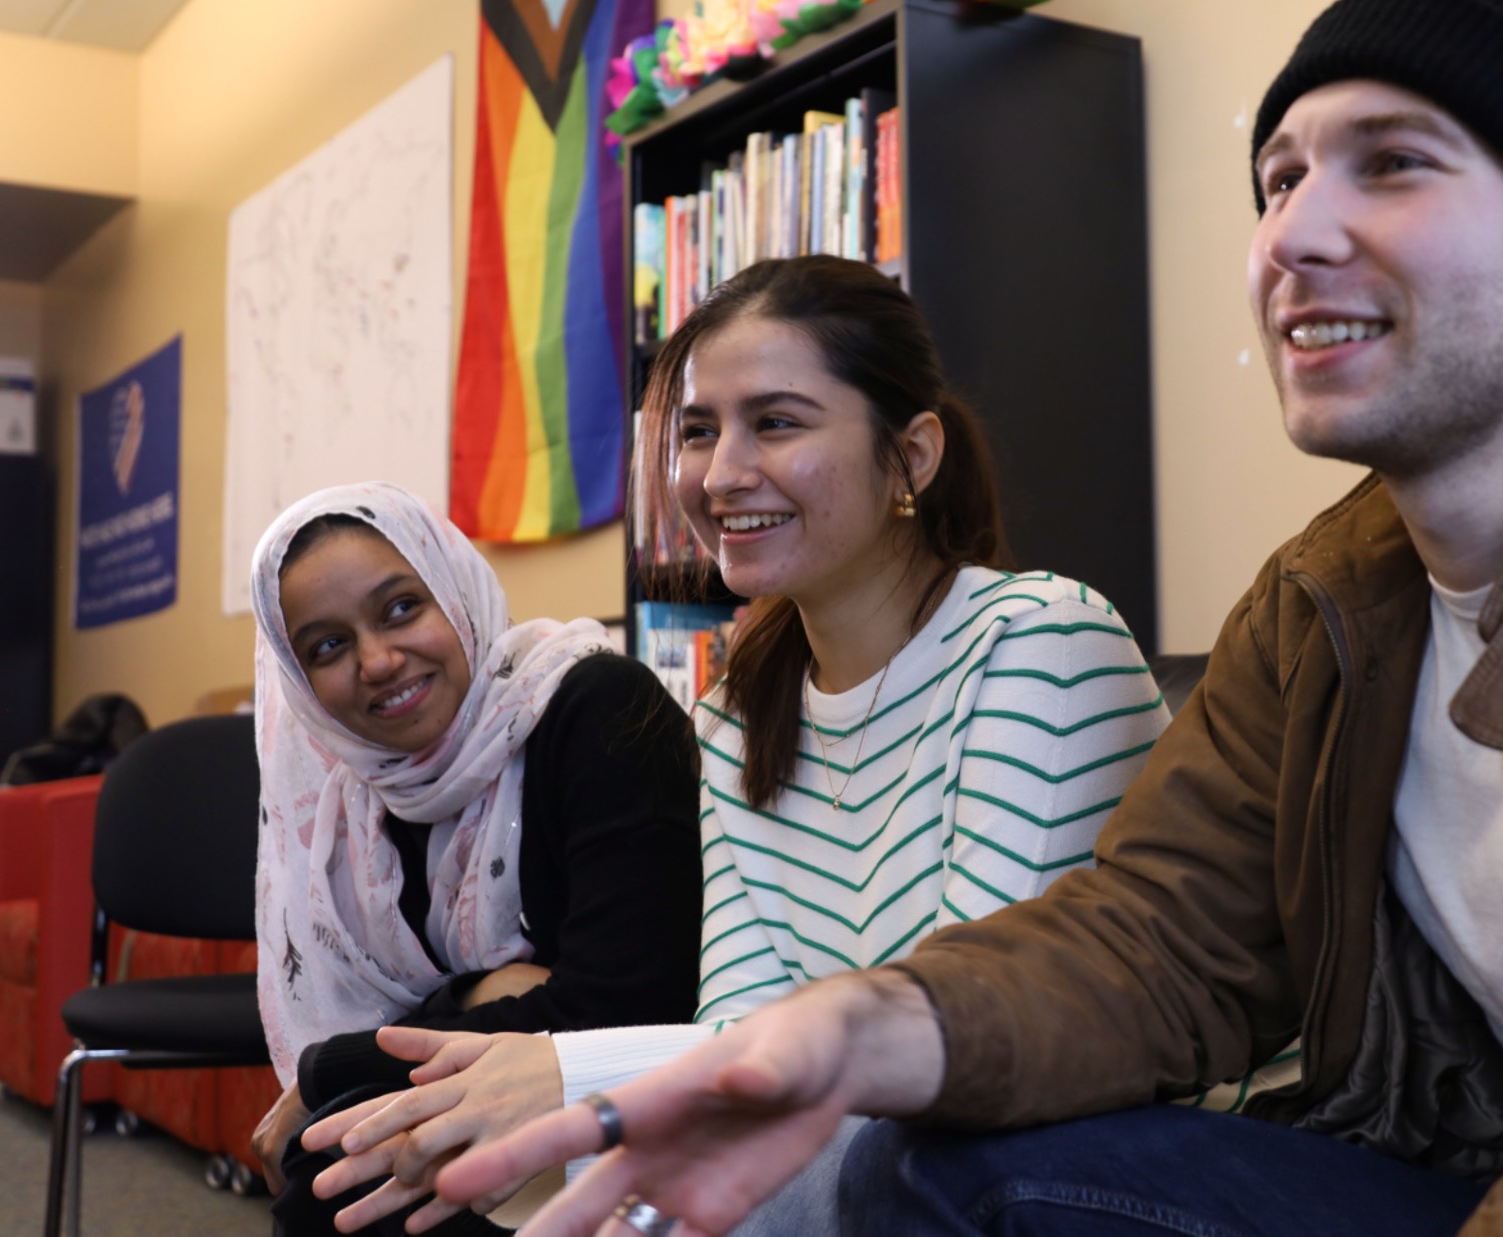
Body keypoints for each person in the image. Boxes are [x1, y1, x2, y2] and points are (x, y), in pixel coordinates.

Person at [425, 0, 1503, 1237]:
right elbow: (1154, 942)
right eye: (1280, 176)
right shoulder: (1334, 600)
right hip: (1489, 1188)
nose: (1289, 231)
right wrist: (865, 1031)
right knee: (943, 1172)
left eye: (1394, 163)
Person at [294, 256, 1172, 1232]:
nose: (719, 475)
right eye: (699, 431)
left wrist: (567, 1070)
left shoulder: (1041, 640)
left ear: (912, 456)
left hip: (1047, 1167)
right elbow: (739, 1033)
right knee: (364, 1183)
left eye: (778, 422)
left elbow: (953, 1038)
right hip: (846, 1147)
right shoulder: (735, 715)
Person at [249, 481, 703, 1234]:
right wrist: (474, 996)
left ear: (453, 589)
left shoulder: (600, 707)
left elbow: (620, 1011)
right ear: (299, 683)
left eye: (401, 608)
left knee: (337, 1183)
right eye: (328, 645)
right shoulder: (353, 807)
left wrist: (329, 1067)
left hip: (639, 1116)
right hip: (480, 1109)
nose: (378, 659)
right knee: (334, 1169)